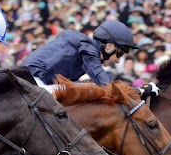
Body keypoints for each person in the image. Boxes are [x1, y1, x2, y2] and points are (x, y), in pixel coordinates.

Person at [23, 19, 159, 99]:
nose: (118, 60)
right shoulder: (88, 49)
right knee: (92, 90)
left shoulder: (83, 46)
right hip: (34, 83)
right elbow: (106, 86)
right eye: (120, 54)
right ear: (109, 46)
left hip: (33, 80)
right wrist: (139, 91)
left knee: (88, 87)